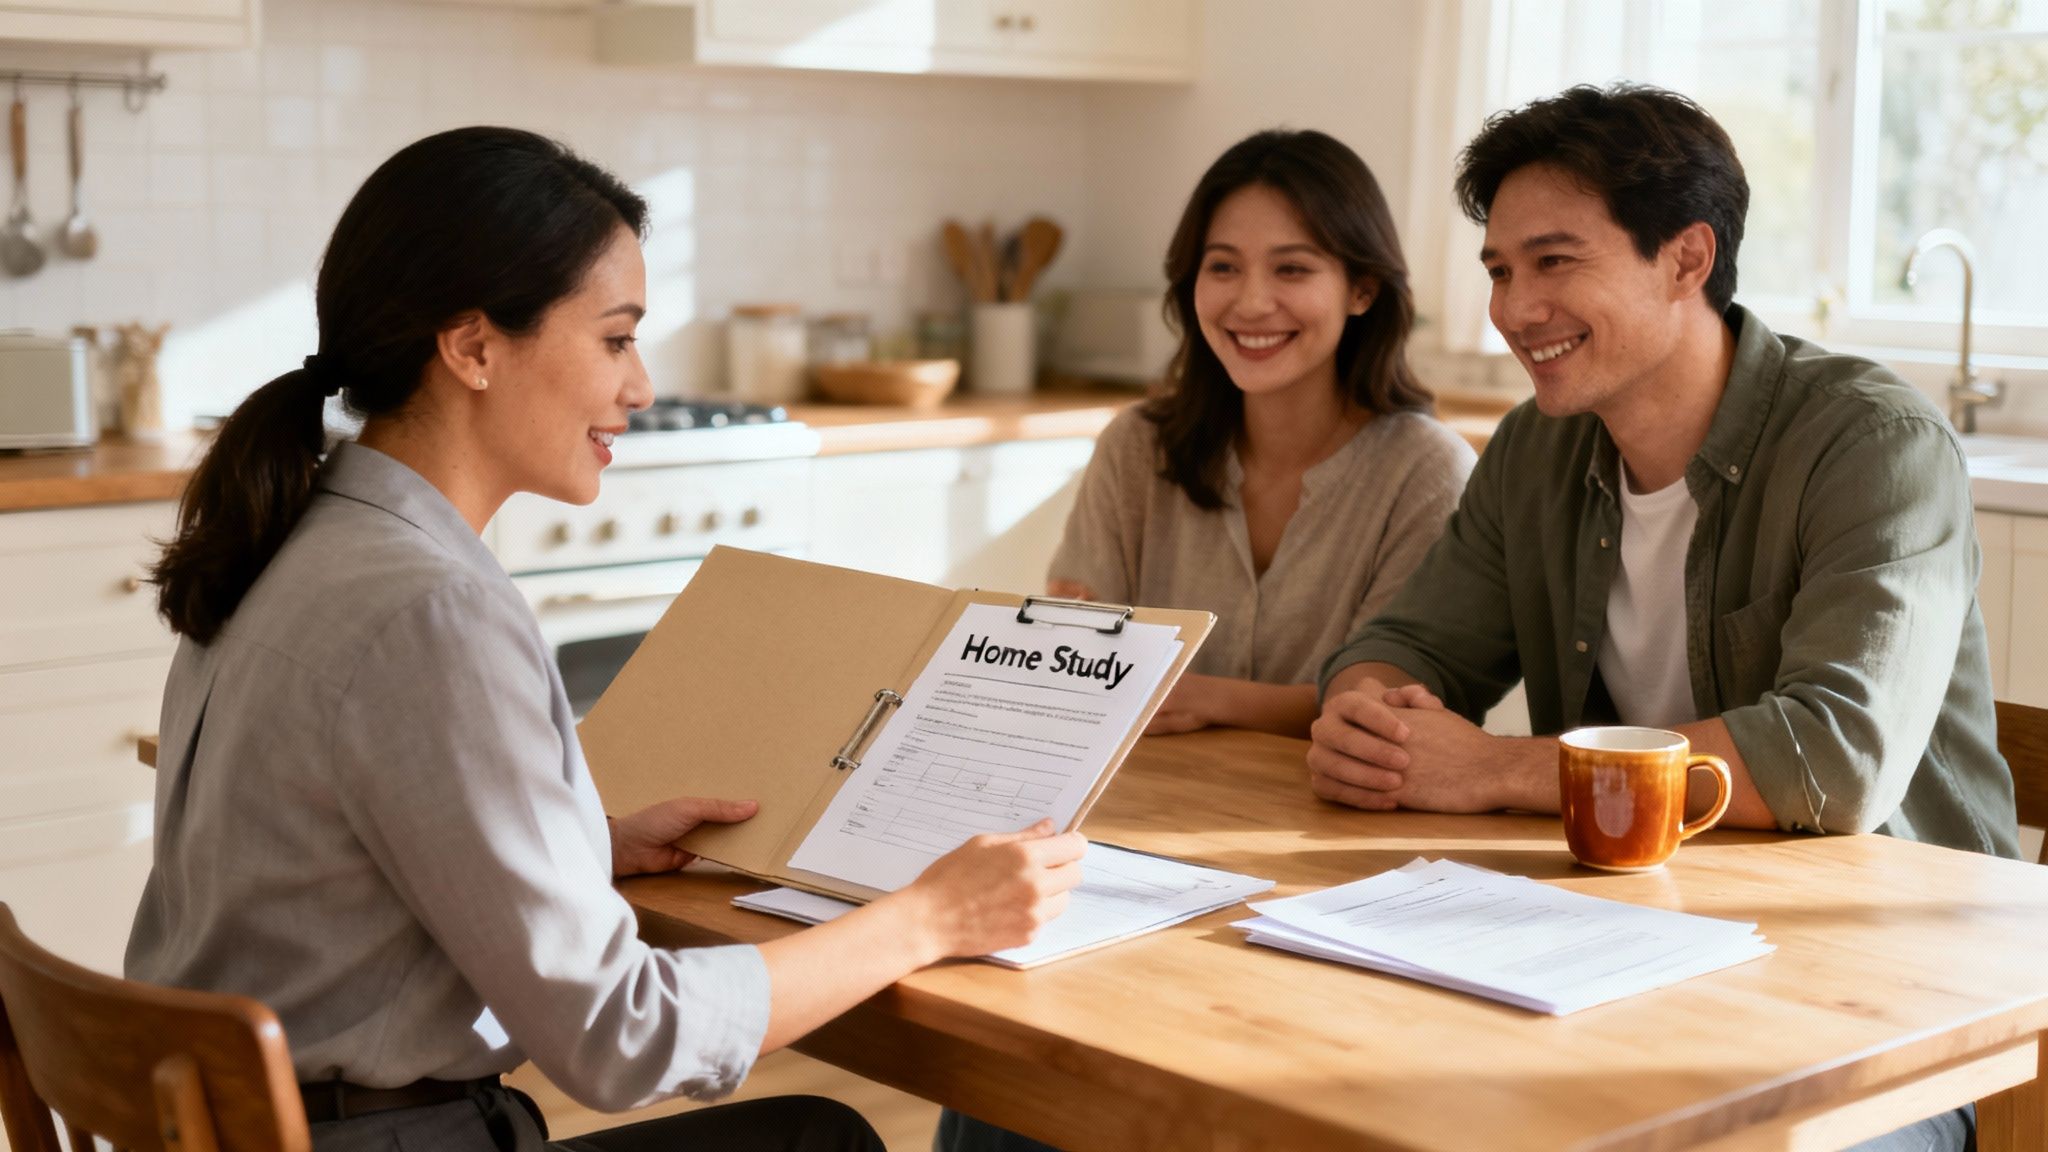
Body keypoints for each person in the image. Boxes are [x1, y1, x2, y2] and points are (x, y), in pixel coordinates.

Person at [126, 127, 1085, 1152]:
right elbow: (621, 1039)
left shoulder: (299, 532)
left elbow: (332, 862)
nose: (641, 388)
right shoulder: (429, 607)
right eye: (616, 338)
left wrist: (581, 845)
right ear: (473, 347)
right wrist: (929, 916)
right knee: (819, 1142)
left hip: (255, 1126)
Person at [1310, 84, 2018, 1152]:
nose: (1511, 309)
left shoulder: (1873, 445)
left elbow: (1830, 759)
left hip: (1892, 1009)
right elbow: (1407, 646)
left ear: (1684, 259)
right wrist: (1368, 717)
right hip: (1613, 953)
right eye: (1498, 270)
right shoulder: (1533, 450)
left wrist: (1494, 771)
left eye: (1554, 262)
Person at [1046, 128, 1474, 740]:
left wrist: (1212, 698)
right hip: (1143, 797)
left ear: (1362, 289)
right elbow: (1080, 665)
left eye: (1292, 268)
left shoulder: (1428, 472)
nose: (1249, 303)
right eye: (1222, 266)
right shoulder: (1136, 448)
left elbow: (1395, 706)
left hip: (1330, 814)